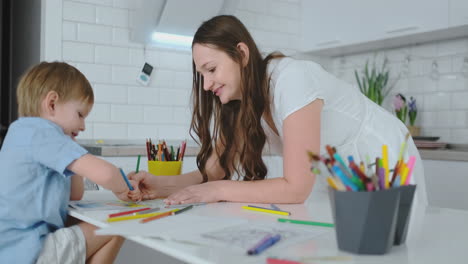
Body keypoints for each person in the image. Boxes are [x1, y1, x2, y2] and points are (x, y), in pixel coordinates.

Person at [129, 15, 426, 207]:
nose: (206, 84)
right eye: (201, 75)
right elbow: (210, 174)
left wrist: (220, 190)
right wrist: (161, 186)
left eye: (211, 69)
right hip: (346, 176)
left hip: (385, 160)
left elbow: (295, 189)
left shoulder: (291, 79)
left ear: (242, 54)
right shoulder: (241, 105)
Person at [0, 62, 141, 264]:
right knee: (119, 223)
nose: (83, 126)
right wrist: (123, 190)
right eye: (80, 114)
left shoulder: (23, 133)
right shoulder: (39, 131)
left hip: (13, 249)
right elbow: (107, 175)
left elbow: (76, 194)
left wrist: (71, 147)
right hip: (28, 250)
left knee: (96, 225)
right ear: (52, 104)